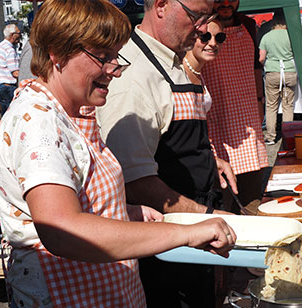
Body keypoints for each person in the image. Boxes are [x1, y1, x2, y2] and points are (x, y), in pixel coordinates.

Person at [0, 0, 237, 307]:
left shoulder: (71, 114)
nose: (114, 71)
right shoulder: (38, 122)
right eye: (102, 57)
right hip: (67, 296)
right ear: (58, 54)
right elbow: (62, 229)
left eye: (115, 57)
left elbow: (81, 198)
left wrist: (126, 212)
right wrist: (184, 233)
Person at [96, 0, 237, 306]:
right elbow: (135, 183)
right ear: (161, 5)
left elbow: (170, 143)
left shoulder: (172, 62)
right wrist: (208, 217)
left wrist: (210, 160)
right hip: (163, 252)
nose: (203, 28)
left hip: (193, 239)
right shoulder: (133, 75)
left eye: (207, 17)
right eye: (196, 16)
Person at [201, 0, 268, 214]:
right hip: (215, 122)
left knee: (251, 201)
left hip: (247, 123)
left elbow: (256, 67)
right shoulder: (200, 28)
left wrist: (259, 102)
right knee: (223, 202)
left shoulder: (248, 25)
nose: (226, 3)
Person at [259, 10, 297, 146]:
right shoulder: (291, 35)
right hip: (289, 72)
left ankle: (270, 137)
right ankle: (288, 136)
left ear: (273, 22)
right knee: (288, 106)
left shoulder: (266, 37)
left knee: (271, 106)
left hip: (273, 72)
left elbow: (261, 58)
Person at [183, 17, 226, 106]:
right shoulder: (178, 71)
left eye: (219, 38)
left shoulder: (198, 73)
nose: (213, 43)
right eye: (205, 37)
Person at [0, 24, 21, 115]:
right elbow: (15, 73)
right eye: (18, 33)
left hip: (0, 86)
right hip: (9, 87)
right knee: (13, 115)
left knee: (6, 115)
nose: (20, 36)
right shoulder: (9, 49)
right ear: (12, 35)